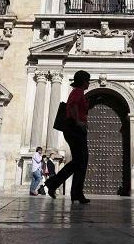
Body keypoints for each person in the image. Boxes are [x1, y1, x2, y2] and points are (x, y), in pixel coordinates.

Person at [45, 70, 91, 204]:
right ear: (83, 81)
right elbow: (72, 106)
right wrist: (78, 121)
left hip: (74, 129)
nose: (88, 83)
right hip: (75, 129)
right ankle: (74, 192)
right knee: (81, 161)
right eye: (87, 80)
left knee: (78, 162)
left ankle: (58, 186)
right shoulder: (77, 92)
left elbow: (77, 107)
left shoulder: (79, 93)